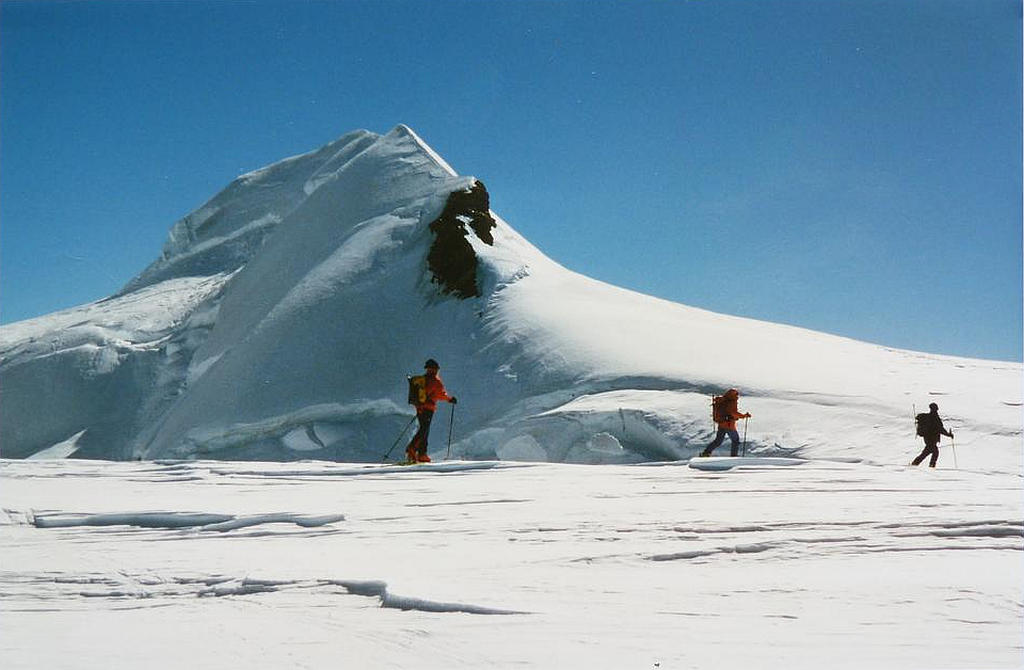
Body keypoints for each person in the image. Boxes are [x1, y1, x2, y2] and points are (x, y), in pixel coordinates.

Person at [405, 359, 457, 463]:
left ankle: (421, 454)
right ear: (435, 369)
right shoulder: (435, 381)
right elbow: (440, 394)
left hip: (419, 407)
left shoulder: (422, 380)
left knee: (424, 429)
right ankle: (413, 449)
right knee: (424, 430)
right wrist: (450, 399)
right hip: (428, 408)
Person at [700, 388, 751, 457]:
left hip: (721, 424)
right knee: (735, 440)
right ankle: (734, 456)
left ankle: (706, 453)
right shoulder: (732, 402)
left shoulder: (723, 400)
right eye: (736, 394)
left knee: (718, 441)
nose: (737, 396)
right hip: (729, 425)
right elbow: (733, 413)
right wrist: (744, 416)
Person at [911, 402, 953, 468]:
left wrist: (948, 434)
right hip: (932, 439)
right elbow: (941, 429)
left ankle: (916, 463)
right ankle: (930, 465)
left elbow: (940, 429)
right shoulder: (935, 418)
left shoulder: (929, 417)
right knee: (934, 452)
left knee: (927, 452)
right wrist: (948, 435)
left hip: (928, 438)